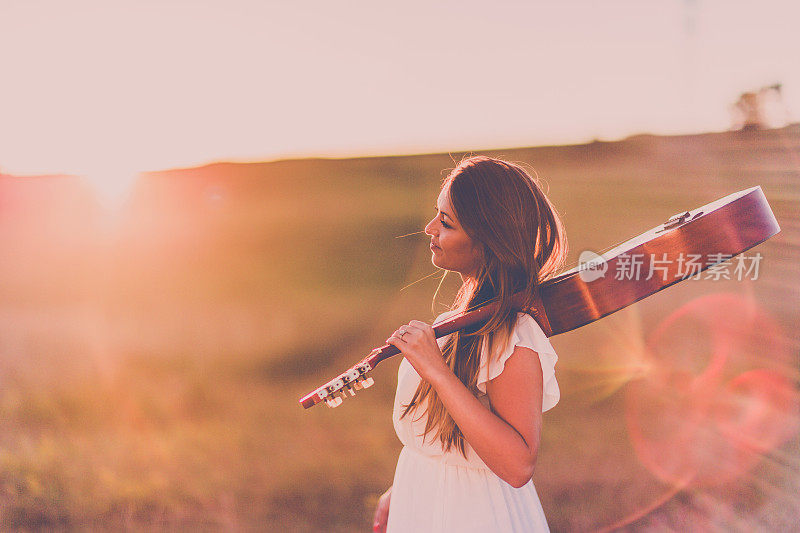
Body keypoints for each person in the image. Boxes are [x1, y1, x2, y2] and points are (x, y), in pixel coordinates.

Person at [372, 156, 568, 532]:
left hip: (475, 514)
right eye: (436, 215)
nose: (430, 229)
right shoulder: (455, 322)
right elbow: (448, 436)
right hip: (424, 500)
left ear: (487, 241)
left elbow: (517, 465)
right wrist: (402, 489)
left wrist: (437, 372)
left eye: (446, 223)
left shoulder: (515, 335)